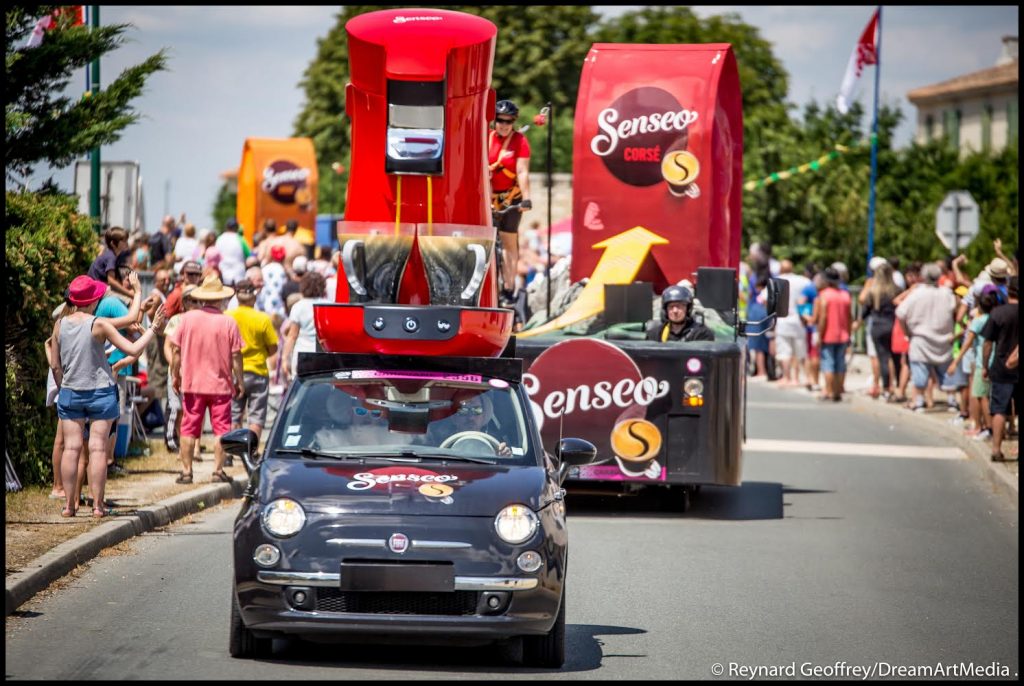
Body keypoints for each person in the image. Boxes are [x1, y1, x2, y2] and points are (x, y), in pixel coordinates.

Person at [49, 275, 166, 518]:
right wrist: (153, 328)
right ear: (93, 300)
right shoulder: (98, 324)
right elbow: (133, 349)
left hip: (70, 391)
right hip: (100, 392)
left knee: (71, 448)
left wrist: (63, 388)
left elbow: (55, 364)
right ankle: (97, 507)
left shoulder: (60, 325)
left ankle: (69, 506)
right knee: (98, 449)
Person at [169, 274, 244, 484]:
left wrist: (176, 375)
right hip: (221, 385)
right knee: (221, 429)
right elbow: (237, 356)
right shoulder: (228, 322)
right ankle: (218, 471)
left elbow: (176, 351)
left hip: (192, 383)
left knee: (188, 427)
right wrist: (240, 381)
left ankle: (186, 471)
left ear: (202, 297)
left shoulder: (187, 319)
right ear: (220, 299)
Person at [895, 263, 957, 412]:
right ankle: (952, 400)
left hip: (920, 338)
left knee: (920, 372)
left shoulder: (917, 293)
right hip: (943, 338)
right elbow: (957, 306)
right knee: (946, 371)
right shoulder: (946, 293)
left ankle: (919, 401)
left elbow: (900, 312)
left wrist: (906, 332)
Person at [488, 99, 532, 303]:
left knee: (509, 242)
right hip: (488, 196)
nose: (504, 125)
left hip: (511, 197)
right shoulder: (486, 139)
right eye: (500, 120)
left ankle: (508, 286)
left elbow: (522, 171)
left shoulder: (520, 141)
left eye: (508, 121)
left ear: (513, 121)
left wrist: (527, 198)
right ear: (494, 120)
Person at [226, 279, 278, 440]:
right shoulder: (263, 318)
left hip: (233, 371)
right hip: (257, 370)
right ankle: (251, 451)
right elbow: (273, 348)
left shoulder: (227, 317)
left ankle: (231, 451)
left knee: (234, 413)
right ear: (253, 297)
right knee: (256, 416)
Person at [948, 289, 999, 439]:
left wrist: (955, 361)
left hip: (982, 362)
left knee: (980, 396)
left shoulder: (978, 321)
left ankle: (984, 427)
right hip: (996, 361)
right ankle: (986, 427)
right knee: (987, 395)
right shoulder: (995, 319)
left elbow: (967, 343)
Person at [981, 276, 1018, 462]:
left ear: (1009, 290)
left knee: (999, 409)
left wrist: (985, 366)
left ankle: (996, 449)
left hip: (1002, 368)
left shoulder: (998, 313)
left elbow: (987, 343)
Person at [860, 260, 902, 400]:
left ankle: (886, 388)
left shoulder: (873, 291)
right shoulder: (896, 290)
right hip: (893, 325)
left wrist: (858, 322)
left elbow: (865, 310)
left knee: (883, 358)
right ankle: (898, 387)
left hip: (878, 326)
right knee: (896, 359)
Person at [281, 271, 330, 384]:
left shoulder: (298, 306)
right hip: (323, 355)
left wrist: (285, 358)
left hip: (302, 354)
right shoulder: (329, 305)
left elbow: (292, 336)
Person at [813, 266, 852, 402]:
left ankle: (829, 391)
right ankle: (838, 391)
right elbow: (849, 317)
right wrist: (849, 333)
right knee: (840, 363)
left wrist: (820, 334)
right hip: (843, 334)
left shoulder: (824, 295)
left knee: (828, 363)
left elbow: (823, 317)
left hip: (829, 334)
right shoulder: (845, 295)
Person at [775, 260, 811, 387]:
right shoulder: (802, 280)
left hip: (783, 319)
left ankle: (787, 377)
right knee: (800, 350)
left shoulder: (777, 280)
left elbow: (764, 299)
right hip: (799, 319)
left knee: (784, 351)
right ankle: (800, 377)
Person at [645, 285, 714, 342]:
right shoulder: (655, 334)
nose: (675, 311)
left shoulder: (701, 334)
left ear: (688, 309)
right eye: (671, 307)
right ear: (665, 310)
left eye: (679, 306)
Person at [87, 227, 135, 299]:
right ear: (113, 243)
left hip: (97, 289)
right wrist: (129, 293)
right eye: (123, 241)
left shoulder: (111, 255)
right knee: (128, 301)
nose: (126, 243)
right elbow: (111, 281)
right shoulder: (111, 257)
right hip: (95, 291)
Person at [214, 218, 251, 286]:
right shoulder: (241, 239)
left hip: (223, 273)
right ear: (237, 227)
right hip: (239, 274)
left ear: (226, 227)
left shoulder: (219, 239)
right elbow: (249, 255)